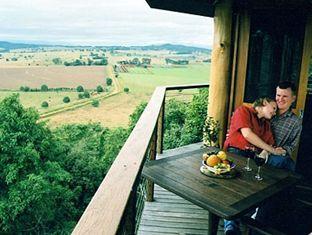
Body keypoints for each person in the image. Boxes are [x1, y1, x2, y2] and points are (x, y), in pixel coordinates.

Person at [223, 97, 285, 235]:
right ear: (264, 103)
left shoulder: (266, 125)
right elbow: (247, 135)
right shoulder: (243, 111)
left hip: (252, 158)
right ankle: (231, 226)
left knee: (254, 187)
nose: (275, 112)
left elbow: (269, 144)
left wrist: (265, 151)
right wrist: (272, 150)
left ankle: (239, 221)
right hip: (236, 152)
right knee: (237, 185)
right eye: (274, 108)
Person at [254, 81, 303, 233]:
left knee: (285, 163)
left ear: (293, 98)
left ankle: (263, 210)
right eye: (278, 95)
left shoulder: (295, 122)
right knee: (287, 166)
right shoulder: (267, 111)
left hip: (276, 156)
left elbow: (291, 146)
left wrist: (281, 150)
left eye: (285, 96)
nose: (280, 99)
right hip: (257, 152)